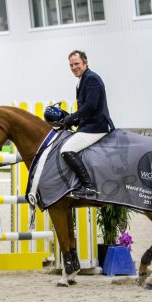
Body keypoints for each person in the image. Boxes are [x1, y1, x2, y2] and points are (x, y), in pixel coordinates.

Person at [44, 50, 115, 196]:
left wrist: (70, 118)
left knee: (66, 150)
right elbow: (84, 109)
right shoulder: (82, 80)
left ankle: (88, 186)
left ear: (85, 63)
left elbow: (91, 106)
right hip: (88, 125)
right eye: (71, 65)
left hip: (96, 126)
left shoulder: (92, 79)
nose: (74, 67)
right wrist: (70, 120)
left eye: (77, 64)